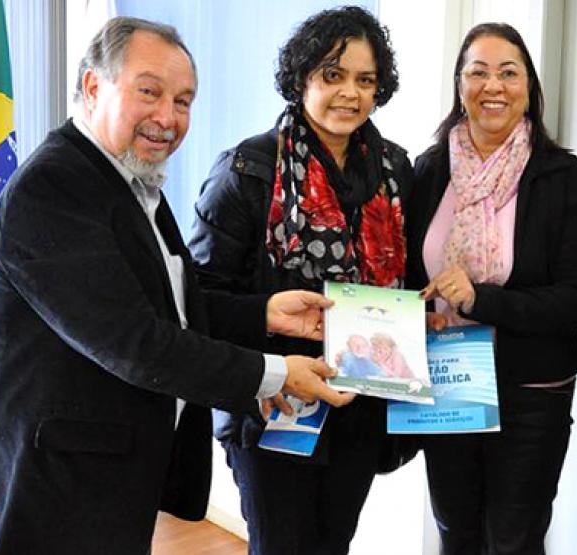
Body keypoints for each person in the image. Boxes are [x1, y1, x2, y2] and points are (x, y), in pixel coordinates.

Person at [0, 17, 351, 555]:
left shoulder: (131, 181)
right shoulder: (51, 187)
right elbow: (134, 341)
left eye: (183, 101)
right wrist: (276, 374)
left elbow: (171, 306)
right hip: (49, 488)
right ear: (94, 86)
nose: (168, 118)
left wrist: (263, 313)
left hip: (106, 477)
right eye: (149, 92)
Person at [187, 6, 412, 554]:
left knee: (333, 543)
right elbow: (200, 297)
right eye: (333, 75)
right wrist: (266, 321)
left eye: (365, 80)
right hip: (275, 401)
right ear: (301, 77)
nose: (350, 94)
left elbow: (407, 279)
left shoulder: (395, 169)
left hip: (360, 399)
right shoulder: (248, 169)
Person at [406, 22, 577, 554]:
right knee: (454, 530)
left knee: (513, 539)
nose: (492, 85)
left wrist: (480, 299)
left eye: (508, 73)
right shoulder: (428, 172)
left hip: (531, 391)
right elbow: (405, 276)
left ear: (529, 88)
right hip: (447, 376)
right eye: (478, 72)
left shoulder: (566, 179)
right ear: (459, 86)